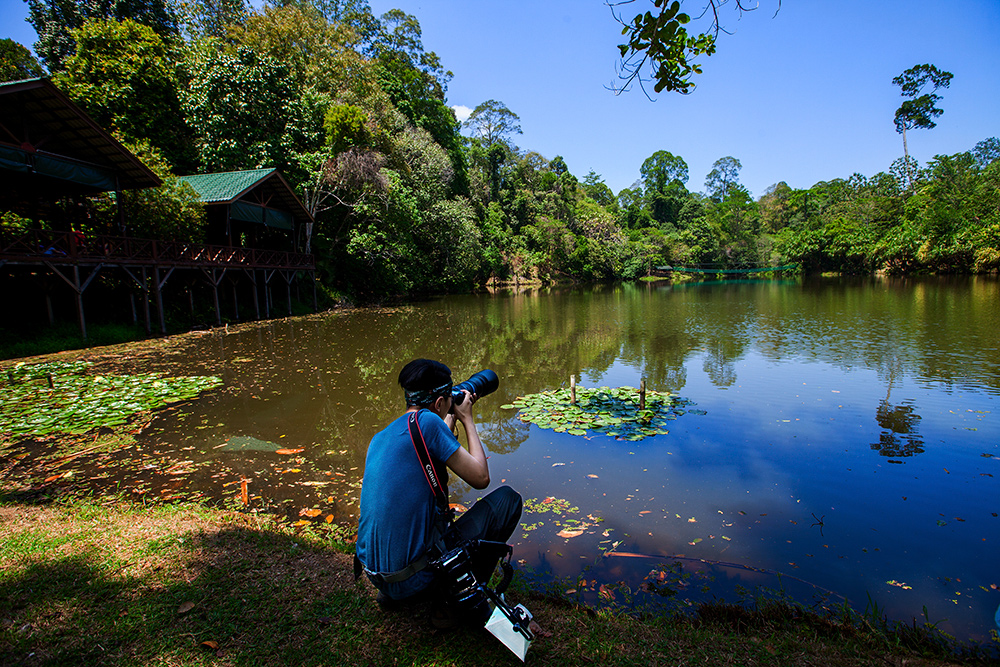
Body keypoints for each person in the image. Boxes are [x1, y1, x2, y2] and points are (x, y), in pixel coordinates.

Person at [356, 358, 522, 611]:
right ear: (439, 403)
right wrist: (466, 418)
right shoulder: (428, 423)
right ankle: (456, 600)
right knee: (507, 500)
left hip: (380, 577)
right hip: (414, 581)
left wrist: (449, 415)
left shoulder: (382, 436)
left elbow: (432, 447)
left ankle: (397, 594)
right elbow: (480, 478)